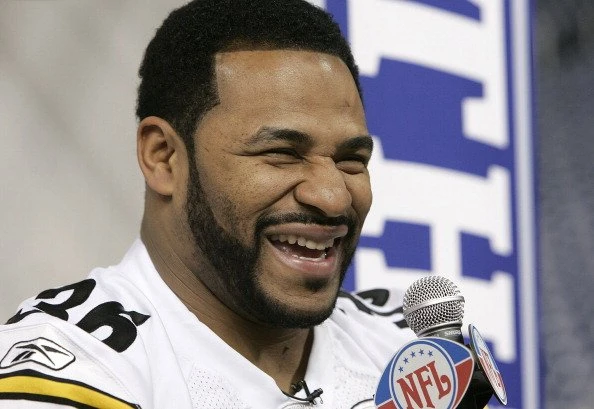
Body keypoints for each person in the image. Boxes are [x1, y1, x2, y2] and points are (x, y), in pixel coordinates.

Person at [0, 1, 412, 407]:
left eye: (351, 160)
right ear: (163, 157)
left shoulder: (412, 346)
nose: (333, 196)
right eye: (282, 153)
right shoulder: (72, 364)